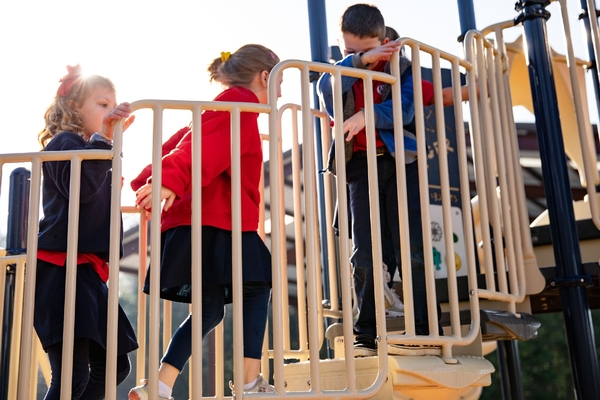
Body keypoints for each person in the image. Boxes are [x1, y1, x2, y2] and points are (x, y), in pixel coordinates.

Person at [128, 44, 283, 400]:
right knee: (257, 285)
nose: (280, 92)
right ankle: (249, 383)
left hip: (205, 221)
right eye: (278, 82)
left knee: (211, 307)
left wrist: (156, 177)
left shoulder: (220, 108)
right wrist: (169, 179)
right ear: (264, 77)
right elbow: (203, 148)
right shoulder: (239, 105)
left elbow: (184, 143)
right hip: (219, 222)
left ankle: (159, 385)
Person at [317, 4, 445, 358]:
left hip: (401, 164)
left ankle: (423, 327)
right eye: (350, 51)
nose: (360, 57)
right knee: (366, 253)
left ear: (385, 41)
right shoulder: (344, 70)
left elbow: (405, 108)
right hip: (361, 167)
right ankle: (366, 334)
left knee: (413, 246)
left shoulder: (402, 69)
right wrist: (358, 62)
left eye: (367, 49)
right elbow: (326, 92)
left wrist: (365, 115)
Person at [34, 64, 138, 399]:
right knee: (72, 375)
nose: (110, 111)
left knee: (115, 366)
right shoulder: (65, 143)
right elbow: (79, 191)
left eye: (113, 104)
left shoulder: (98, 150)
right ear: (75, 107)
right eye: (102, 104)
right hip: (61, 268)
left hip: (88, 270)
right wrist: (106, 140)